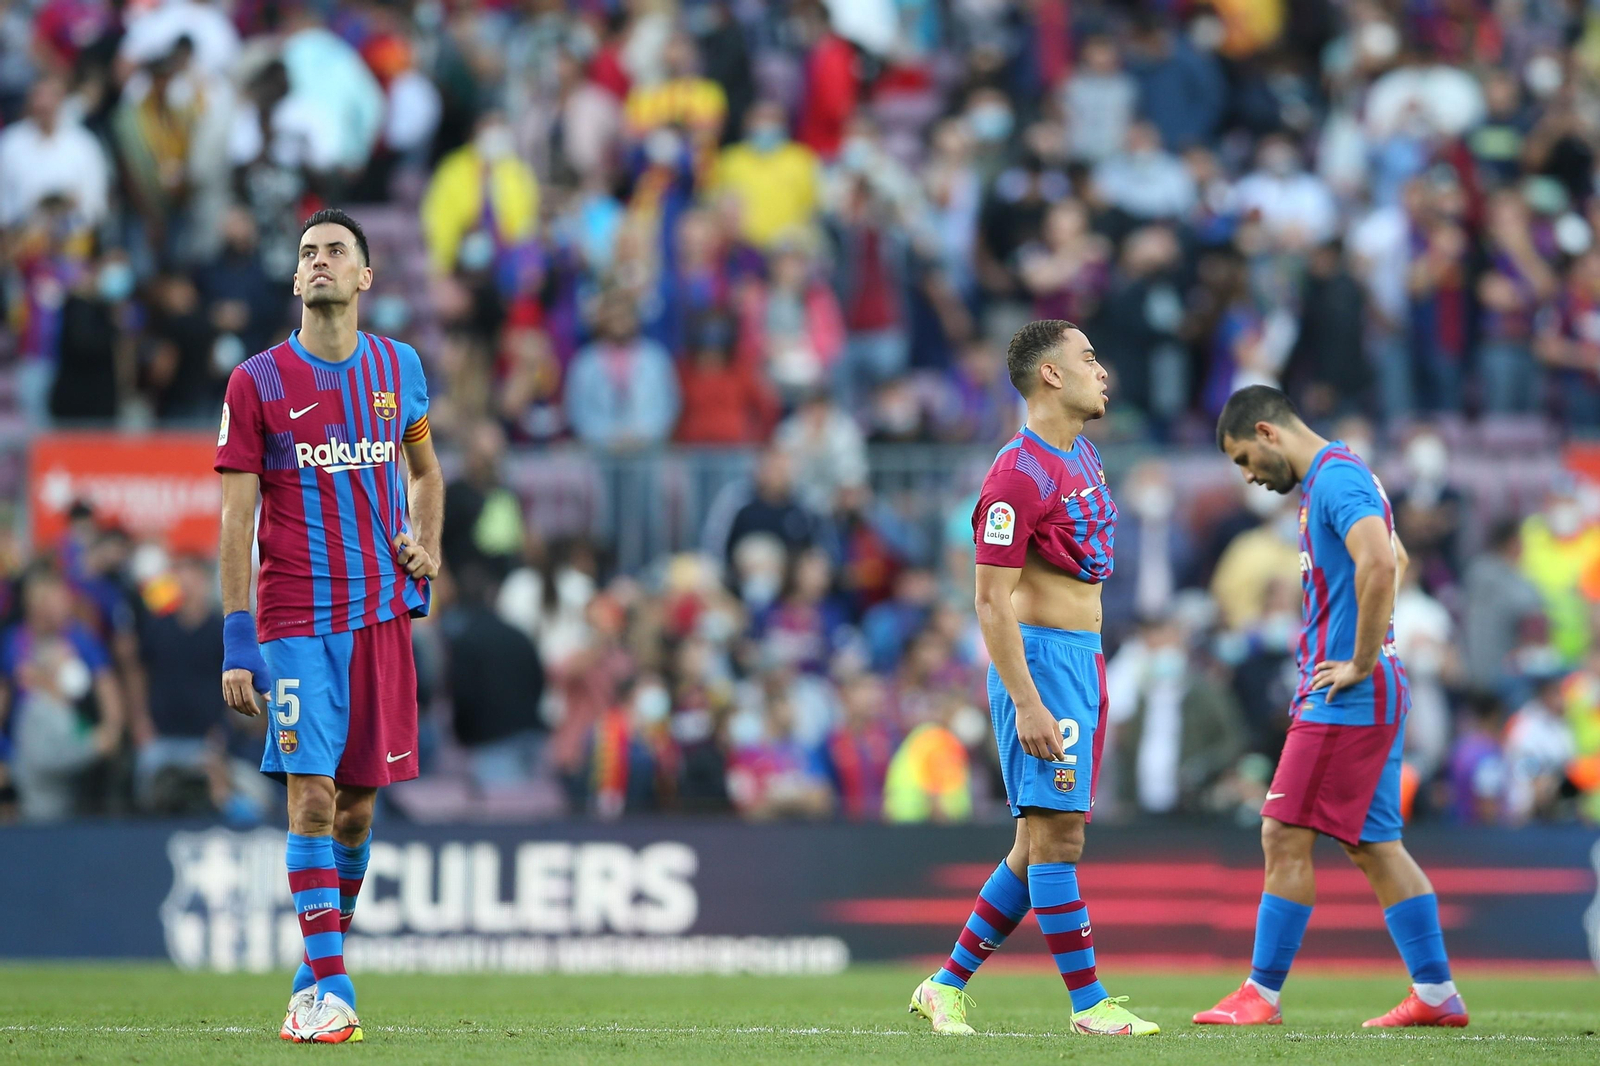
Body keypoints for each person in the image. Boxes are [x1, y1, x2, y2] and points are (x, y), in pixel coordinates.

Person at [215, 209, 443, 1044]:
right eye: (307, 253)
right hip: (293, 621)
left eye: (335, 251)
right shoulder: (258, 383)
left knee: (355, 814)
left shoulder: (400, 368)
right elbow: (233, 522)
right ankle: (338, 992)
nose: (317, 262)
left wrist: (428, 549)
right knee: (309, 800)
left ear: (365, 277)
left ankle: (311, 978)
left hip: (381, 616)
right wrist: (238, 638)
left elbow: (427, 473)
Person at [908, 320, 1158, 1038]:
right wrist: (1027, 700)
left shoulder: (1080, 454)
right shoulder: (1016, 476)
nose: (1101, 370)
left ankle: (944, 986)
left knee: (1034, 844)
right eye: (1087, 357)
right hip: (1043, 664)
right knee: (1059, 841)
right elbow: (989, 598)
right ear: (1050, 375)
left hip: (1084, 660)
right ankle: (1089, 1005)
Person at [1197, 386, 1466, 1029]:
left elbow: (1379, 562)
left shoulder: (1334, 478)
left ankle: (1260, 994)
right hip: (1370, 687)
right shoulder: (1341, 476)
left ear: (1266, 432)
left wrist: (1362, 657)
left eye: (1242, 458)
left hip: (1347, 691)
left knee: (1283, 831)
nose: (1247, 476)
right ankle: (1435, 994)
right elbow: (1395, 557)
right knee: (1376, 845)